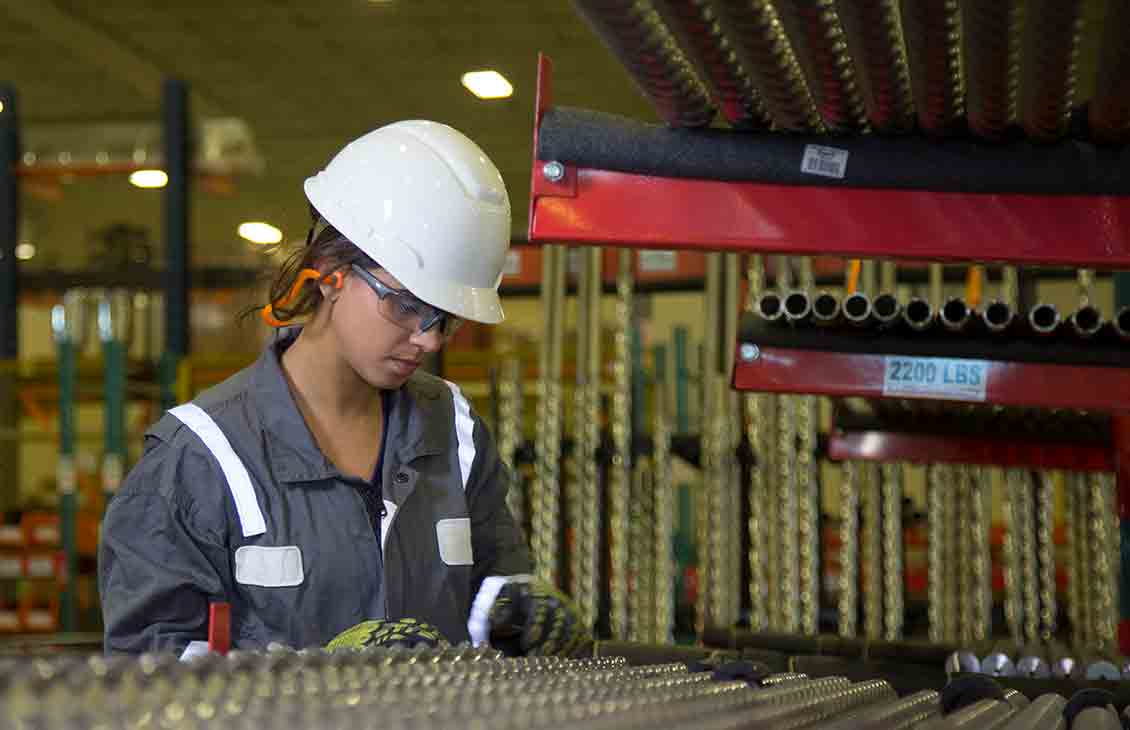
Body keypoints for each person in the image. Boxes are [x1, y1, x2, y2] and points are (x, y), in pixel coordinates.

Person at [99, 120, 582, 657]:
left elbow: (493, 590)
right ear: (329, 272)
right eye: (405, 305)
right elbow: (148, 676)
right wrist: (322, 676)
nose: (427, 340)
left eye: (444, 318)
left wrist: (520, 617)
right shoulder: (200, 459)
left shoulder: (455, 433)